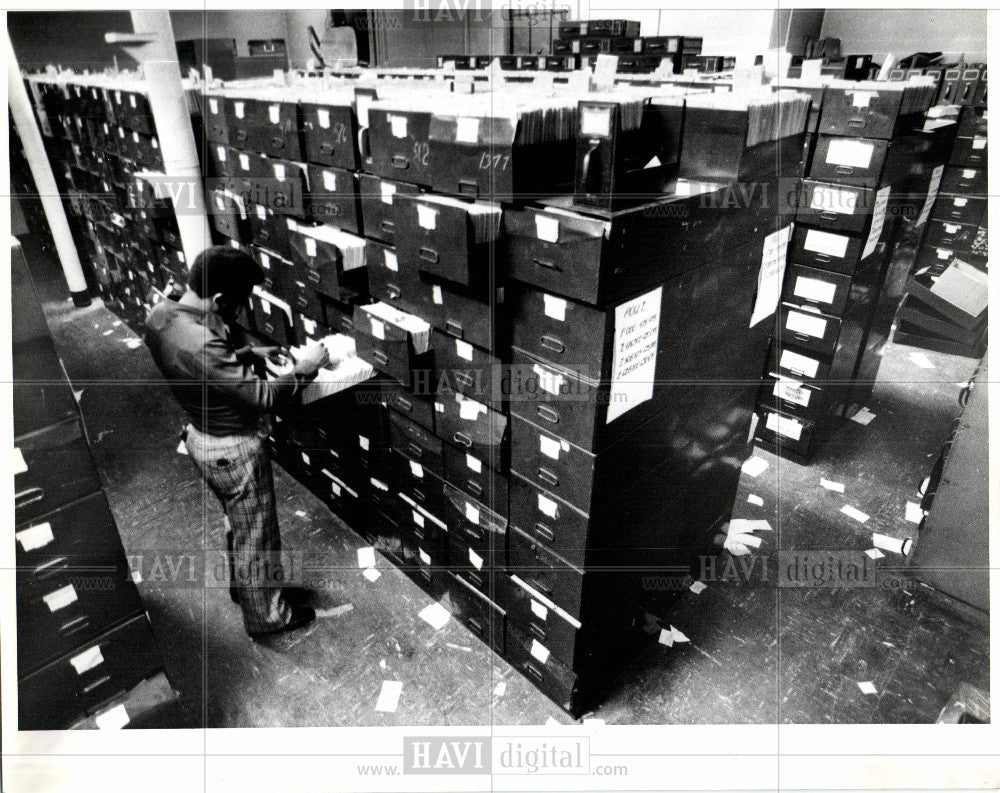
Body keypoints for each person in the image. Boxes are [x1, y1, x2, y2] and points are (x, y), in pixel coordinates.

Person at [144, 246, 334, 637]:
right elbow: (263, 397)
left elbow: (198, 366)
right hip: (233, 450)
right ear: (218, 299)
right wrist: (305, 369)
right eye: (240, 301)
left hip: (201, 439)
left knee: (239, 524)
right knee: (256, 534)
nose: (242, 309)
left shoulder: (162, 315)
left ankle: (245, 588)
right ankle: (267, 617)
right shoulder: (201, 342)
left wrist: (245, 354)